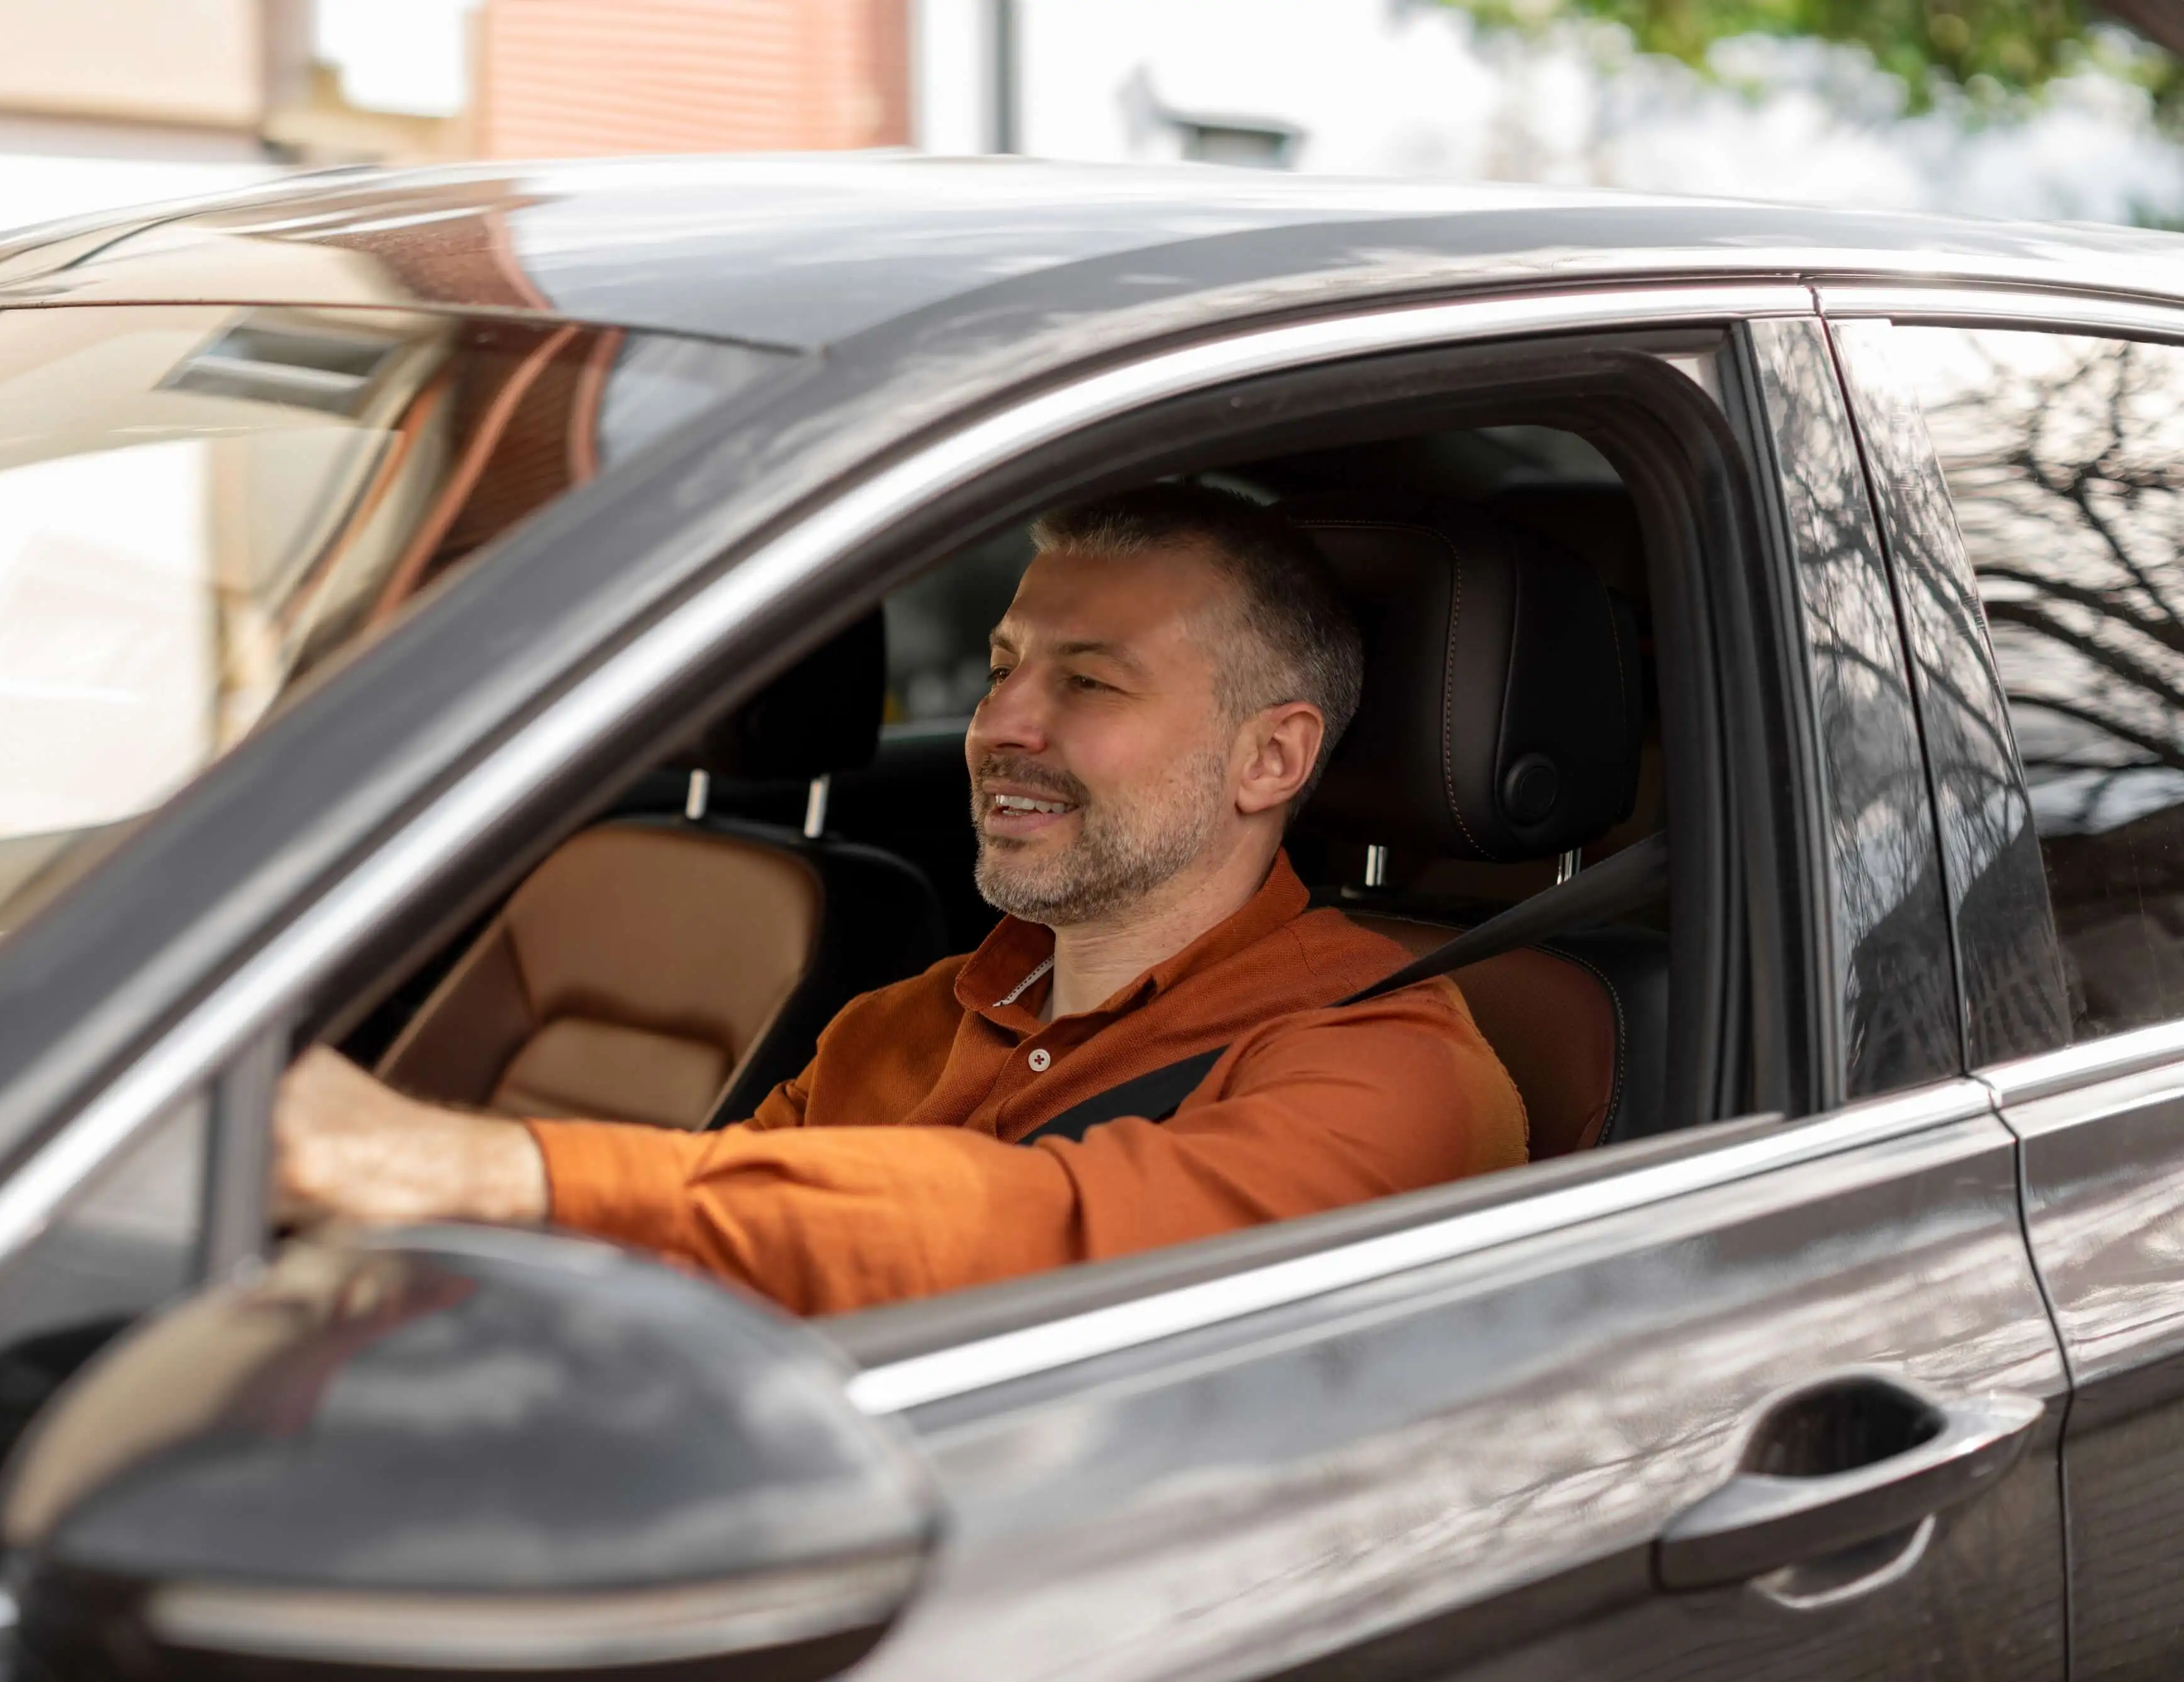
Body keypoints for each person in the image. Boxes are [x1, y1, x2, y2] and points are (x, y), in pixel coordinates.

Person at [274, 484, 1527, 1315]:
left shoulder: (1388, 1059)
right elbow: (695, 1256)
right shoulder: (898, 1023)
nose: (1000, 726)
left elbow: (1071, 1242)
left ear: (1269, 758)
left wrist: (489, 1167)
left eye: (1088, 684)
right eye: (999, 668)